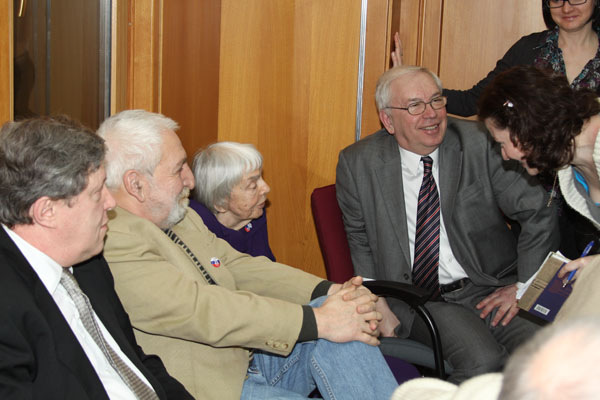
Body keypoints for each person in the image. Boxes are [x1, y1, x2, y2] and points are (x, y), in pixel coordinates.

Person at [97, 109, 398, 400]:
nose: (190, 180)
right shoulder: (114, 240)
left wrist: (333, 292)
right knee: (330, 319)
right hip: (209, 388)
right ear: (136, 184)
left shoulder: (178, 216)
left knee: (346, 314)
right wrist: (317, 321)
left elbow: (236, 266)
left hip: (247, 360)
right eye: (179, 169)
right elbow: (201, 309)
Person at [336, 65, 559, 383]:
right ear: (388, 120)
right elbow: (359, 237)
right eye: (415, 105)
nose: (431, 114)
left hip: (489, 286)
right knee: (483, 361)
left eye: (436, 100)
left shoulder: (479, 142)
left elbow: (538, 210)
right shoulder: (358, 162)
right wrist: (376, 300)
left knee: (552, 348)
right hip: (420, 298)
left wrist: (525, 286)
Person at [0, 117, 192, 399]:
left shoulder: (88, 261)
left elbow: (135, 360)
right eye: (96, 192)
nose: (111, 202)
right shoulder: (8, 305)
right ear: (46, 212)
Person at [392, 0, 600, 117]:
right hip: (532, 179)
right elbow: (471, 102)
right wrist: (410, 82)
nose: (566, 8)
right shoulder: (528, 49)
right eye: (556, 0)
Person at [190, 141, 275, 260]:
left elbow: (266, 265)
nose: (266, 188)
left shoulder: (255, 212)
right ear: (220, 202)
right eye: (252, 185)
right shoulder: (197, 228)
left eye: (261, 177)